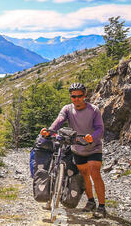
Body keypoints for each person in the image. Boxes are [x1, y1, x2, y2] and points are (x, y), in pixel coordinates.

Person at [40, 83, 106, 218]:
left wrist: (92, 137)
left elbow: (100, 128)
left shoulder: (93, 110)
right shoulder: (67, 109)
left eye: (79, 96)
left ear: (84, 95)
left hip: (94, 147)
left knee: (95, 172)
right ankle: (91, 201)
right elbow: (59, 121)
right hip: (77, 147)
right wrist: (49, 131)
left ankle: (102, 206)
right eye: (73, 96)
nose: (76, 99)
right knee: (84, 175)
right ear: (70, 96)